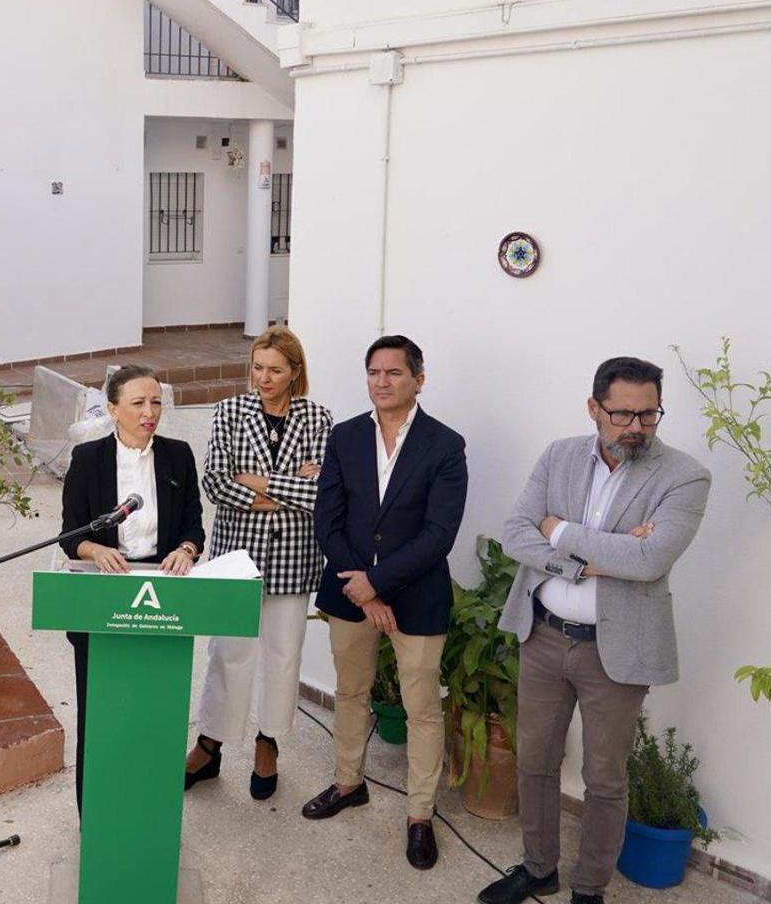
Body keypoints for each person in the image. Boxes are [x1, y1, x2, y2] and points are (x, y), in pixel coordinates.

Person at [478, 357, 711, 904]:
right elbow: (516, 533)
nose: (636, 427)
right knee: (534, 762)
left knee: (605, 779)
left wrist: (558, 530)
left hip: (617, 649)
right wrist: (593, 561)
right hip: (542, 635)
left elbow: (650, 560)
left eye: (648, 414)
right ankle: (539, 869)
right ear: (594, 408)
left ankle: (589, 889)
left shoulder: (685, 475)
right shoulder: (558, 455)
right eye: (622, 413)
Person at [303, 335, 467, 873]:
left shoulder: (445, 445)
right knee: (350, 692)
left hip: (415, 597)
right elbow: (328, 517)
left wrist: (376, 584)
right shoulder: (345, 436)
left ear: (419, 379)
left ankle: (420, 815)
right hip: (349, 589)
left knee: (422, 709)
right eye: (374, 372)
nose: (382, 381)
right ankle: (348, 783)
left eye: (394, 372)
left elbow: (439, 533)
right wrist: (362, 586)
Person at [186, 326, 334, 800]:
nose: (263, 378)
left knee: (283, 654)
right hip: (237, 555)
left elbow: (322, 492)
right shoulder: (230, 411)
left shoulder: (318, 418)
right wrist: (287, 488)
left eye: (275, 370)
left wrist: (258, 482)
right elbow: (215, 483)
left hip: (294, 556)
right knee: (227, 651)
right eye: (257, 368)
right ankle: (210, 744)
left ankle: (268, 742)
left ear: (295, 372)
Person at [60, 365, 206, 815]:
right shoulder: (88, 459)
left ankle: (151, 812)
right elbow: (70, 534)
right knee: (100, 713)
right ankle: (95, 817)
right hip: (105, 596)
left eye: (156, 402)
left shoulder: (178, 455)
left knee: (155, 713)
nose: (150, 413)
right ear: (112, 409)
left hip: (164, 594)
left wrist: (186, 549)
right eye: (138, 403)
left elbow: (194, 526)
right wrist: (94, 550)